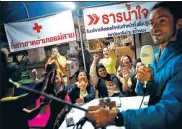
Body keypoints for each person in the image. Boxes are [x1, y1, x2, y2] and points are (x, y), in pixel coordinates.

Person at [85, 2, 182, 129]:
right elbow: (144, 92)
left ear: (179, 23)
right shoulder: (154, 56)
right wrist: (144, 81)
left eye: (162, 21)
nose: (154, 27)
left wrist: (116, 117)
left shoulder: (179, 60)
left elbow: (168, 111)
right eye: (152, 23)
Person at [0, 50, 55, 129]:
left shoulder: (11, 103)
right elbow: (32, 96)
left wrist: (42, 105)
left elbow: (29, 115)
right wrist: (46, 73)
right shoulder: (4, 103)